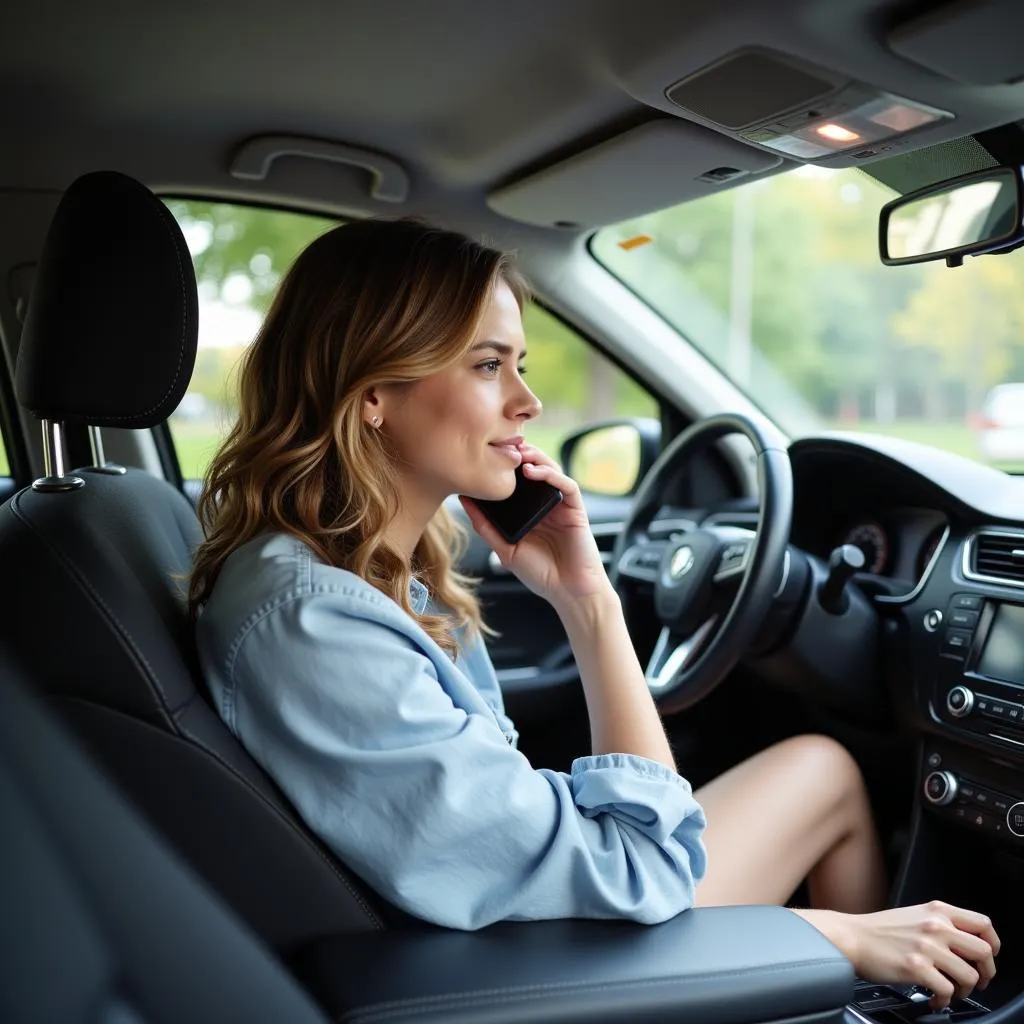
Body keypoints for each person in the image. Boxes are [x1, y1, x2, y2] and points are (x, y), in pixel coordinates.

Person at [191, 218, 998, 1011]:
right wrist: (836, 936)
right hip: (520, 965)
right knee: (840, 843)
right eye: (488, 365)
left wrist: (582, 597)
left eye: (521, 365)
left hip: (516, 915)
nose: (528, 401)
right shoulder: (317, 620)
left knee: (824, 768)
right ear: (373, 393)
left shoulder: (353, 574)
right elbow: (646, 869)